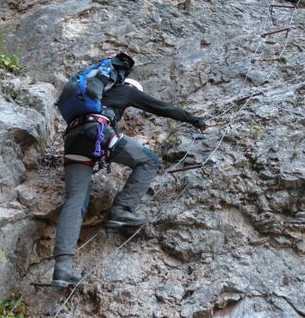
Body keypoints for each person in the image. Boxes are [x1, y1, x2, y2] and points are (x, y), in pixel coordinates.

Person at [51, 53, 208, 287]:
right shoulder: (126, 90)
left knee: (75, 201)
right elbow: (161, 107)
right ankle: (121, 210)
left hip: (73, 139)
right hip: (97, 131)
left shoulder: (94, 95)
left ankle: (62, 268)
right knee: (149, 161)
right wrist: (194, 120)